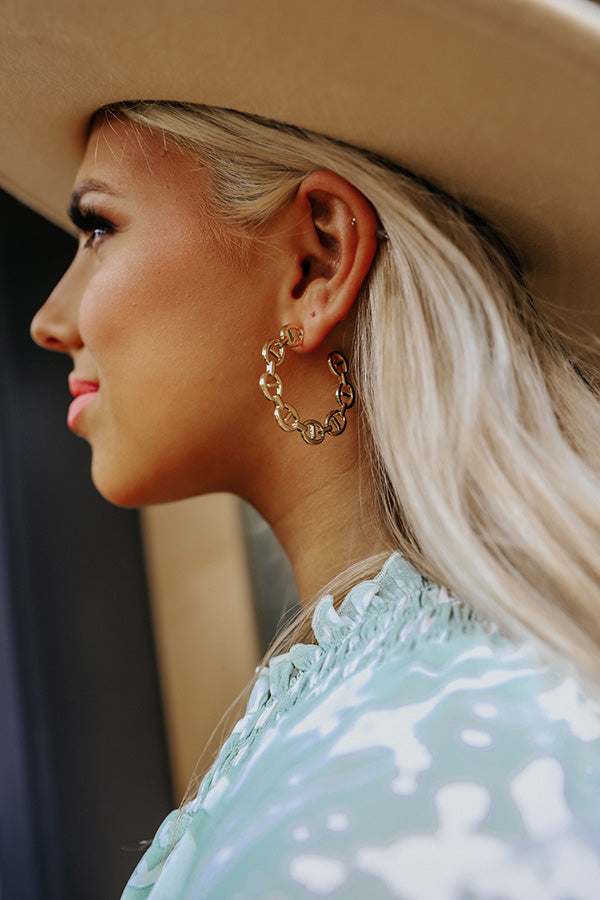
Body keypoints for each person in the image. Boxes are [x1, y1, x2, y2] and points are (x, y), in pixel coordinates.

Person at [3, 1, 600, 897]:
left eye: (98, 228)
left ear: (317, 261)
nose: (51, 322)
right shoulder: (427, 713)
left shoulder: (412, 757)